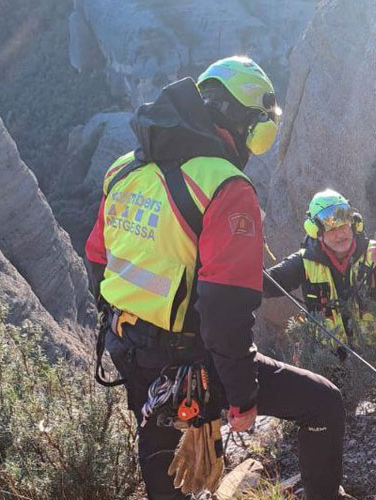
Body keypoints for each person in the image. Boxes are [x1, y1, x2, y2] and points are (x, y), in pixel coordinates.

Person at [85, 56, 346, 500]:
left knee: (162, 462)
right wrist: (243, 399)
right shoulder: (226, 185)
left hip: (130, 351)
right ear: (247, 123)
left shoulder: (124, 169)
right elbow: (225, 312)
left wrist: (133, 333)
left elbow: (96, 260)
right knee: (323, 403)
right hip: (195, 361)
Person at [263, 189, 376, 362]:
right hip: (327, 361)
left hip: (374, 357)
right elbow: (266, 286)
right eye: (331, 229)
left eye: (343, 225)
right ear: (316, 231)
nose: (341, 234)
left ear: (354, 223)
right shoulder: (303, 262)